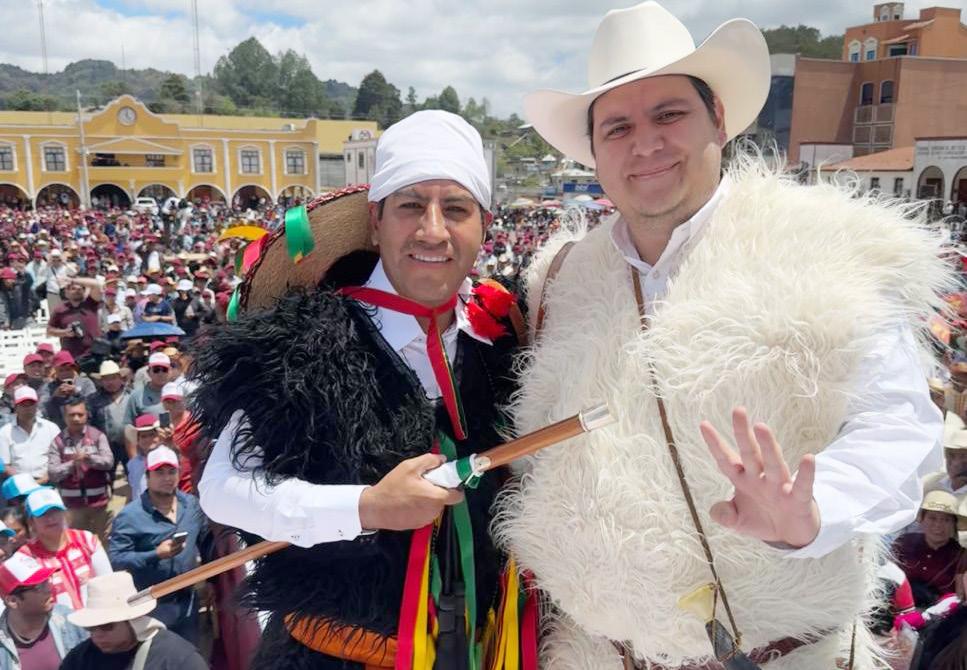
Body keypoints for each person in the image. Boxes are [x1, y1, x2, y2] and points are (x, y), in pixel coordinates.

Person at [494, 3, 948, 668]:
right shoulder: (559, 278)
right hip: (600, 655)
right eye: (618, 126)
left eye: (668, 114)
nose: (645, 143)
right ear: (594, 151)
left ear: (719, 120)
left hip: (789, 654)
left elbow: (899, 427)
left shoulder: (829, 247)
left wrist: (811, 513)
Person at [193, 111, 527, 668]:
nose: (433, 231)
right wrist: (367, 507)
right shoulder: (296, 343)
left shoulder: (507, 339)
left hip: (486, 650)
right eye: (411, 206)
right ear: (375, 221)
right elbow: (222, 490)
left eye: (456, 209)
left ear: (484, 226)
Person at [108, 447, 208, 644]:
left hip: (188, 601)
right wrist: (155, 554)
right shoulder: (129, 516)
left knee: (189, 653)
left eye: (171, 471)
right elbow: (116, 559)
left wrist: (211, 580)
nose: (167, 478)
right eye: (159, 472)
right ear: (147, 476)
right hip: (151, 606)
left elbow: (206, 541)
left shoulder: (192, 505)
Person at [60, 571, 207, 670]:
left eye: (106, 626)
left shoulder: (178, 659)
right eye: (90, 627)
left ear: (133, 620)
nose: (97, 635)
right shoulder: (79, 659)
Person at [17, 488, 112, 610]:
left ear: (65, 513)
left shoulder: (86, 540)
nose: (51, 518)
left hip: (98, 615)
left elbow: (108, 581)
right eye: (42, 514)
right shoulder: (25, 557)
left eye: (55, 511)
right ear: (31, 522)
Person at [0, 552, 89, 669]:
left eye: (47, 581)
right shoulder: (2, 646)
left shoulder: (70, 621)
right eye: (39, 587)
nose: (49, 589)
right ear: (13, 601)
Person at [45, 397, 114, 542]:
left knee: (102, 542)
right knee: (76, 543)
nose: (76, 418)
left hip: (99, 504)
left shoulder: (97, 436)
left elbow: (109, 462)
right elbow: (53, 473)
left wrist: (90, 459)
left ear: (87, 415)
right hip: (72, 507)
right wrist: (72, 464)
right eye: (72, 415)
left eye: (80, 414)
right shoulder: (58, 442)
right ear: (64, 416)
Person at [893, 490, 965, 608]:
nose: (938, 525)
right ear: (922, 520)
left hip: (939, 615)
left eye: (946, 520)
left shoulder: (961, 555)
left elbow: (960, 597)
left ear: (954, 524)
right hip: (897, 609)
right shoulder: (903, 542)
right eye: (932, 518)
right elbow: (887, 577)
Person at [0, 388, 59, 484]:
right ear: (16, 407)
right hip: (18, 484)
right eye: (23, 404)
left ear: (36, 405)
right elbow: (6, 465)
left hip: (48, 482)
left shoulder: (51, 428)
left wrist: (45, 479)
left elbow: (58, 459)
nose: (28, 408)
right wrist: (25, 482)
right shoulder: (5, 432)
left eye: (31, 404)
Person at [89, 360, 132, 472]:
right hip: (106, 446)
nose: (110, 382)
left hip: (131, 444)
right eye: (106, 379)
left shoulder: (132, 395)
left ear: (120, 378)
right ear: (101, 381)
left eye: (113, 378)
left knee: (134, 474)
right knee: (106, 476)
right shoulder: (93, 399)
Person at [45, 277, 102, 360]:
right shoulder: (60, 310)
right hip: (71, 357)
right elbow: (49, 331)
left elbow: (97, 284)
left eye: (80, 289)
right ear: (66, 292)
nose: (77, 291)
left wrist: (73, 280)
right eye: (73, 289)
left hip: (93, 354)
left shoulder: (91, 303)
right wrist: (64, 333)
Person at [38, 352, 96, 431]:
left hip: (83, 429)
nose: (65, 373)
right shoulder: (48, 387)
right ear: (55, 370)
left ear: (73, 368)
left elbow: (94, 406)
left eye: (68, 369)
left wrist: (77, 393)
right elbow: (41, 411)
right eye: (61, 370)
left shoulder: (85, 383)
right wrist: (54, 396)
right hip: (58, 430)